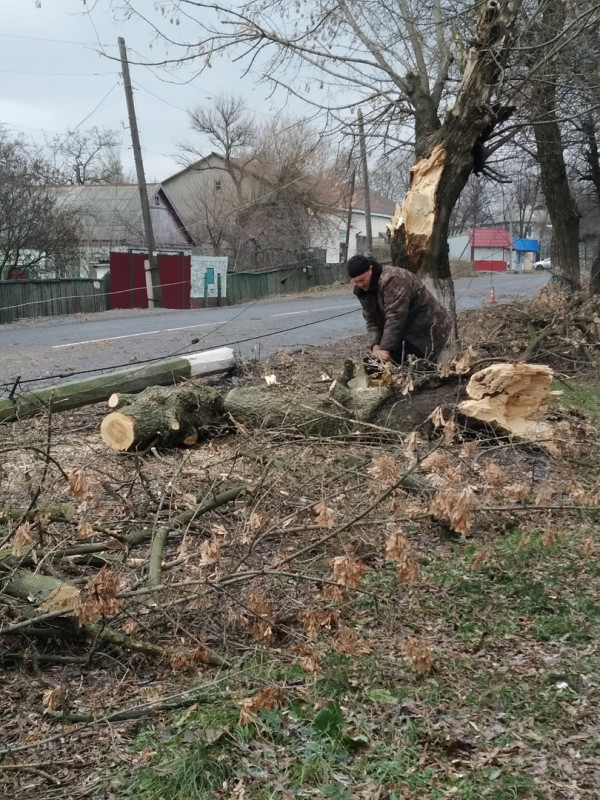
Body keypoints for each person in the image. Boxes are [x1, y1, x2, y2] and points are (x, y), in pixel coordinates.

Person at [347, 254, 452, 364]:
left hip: (430, 329)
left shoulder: (393, 279)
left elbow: (395, 317)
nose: (360, 284)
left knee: (422, 371)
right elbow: (372, 320)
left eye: (362, 279)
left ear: (371, 269)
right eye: (356, 282)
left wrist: (385, 348)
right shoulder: (363, 291)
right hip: (406, 333)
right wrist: (375, 346)